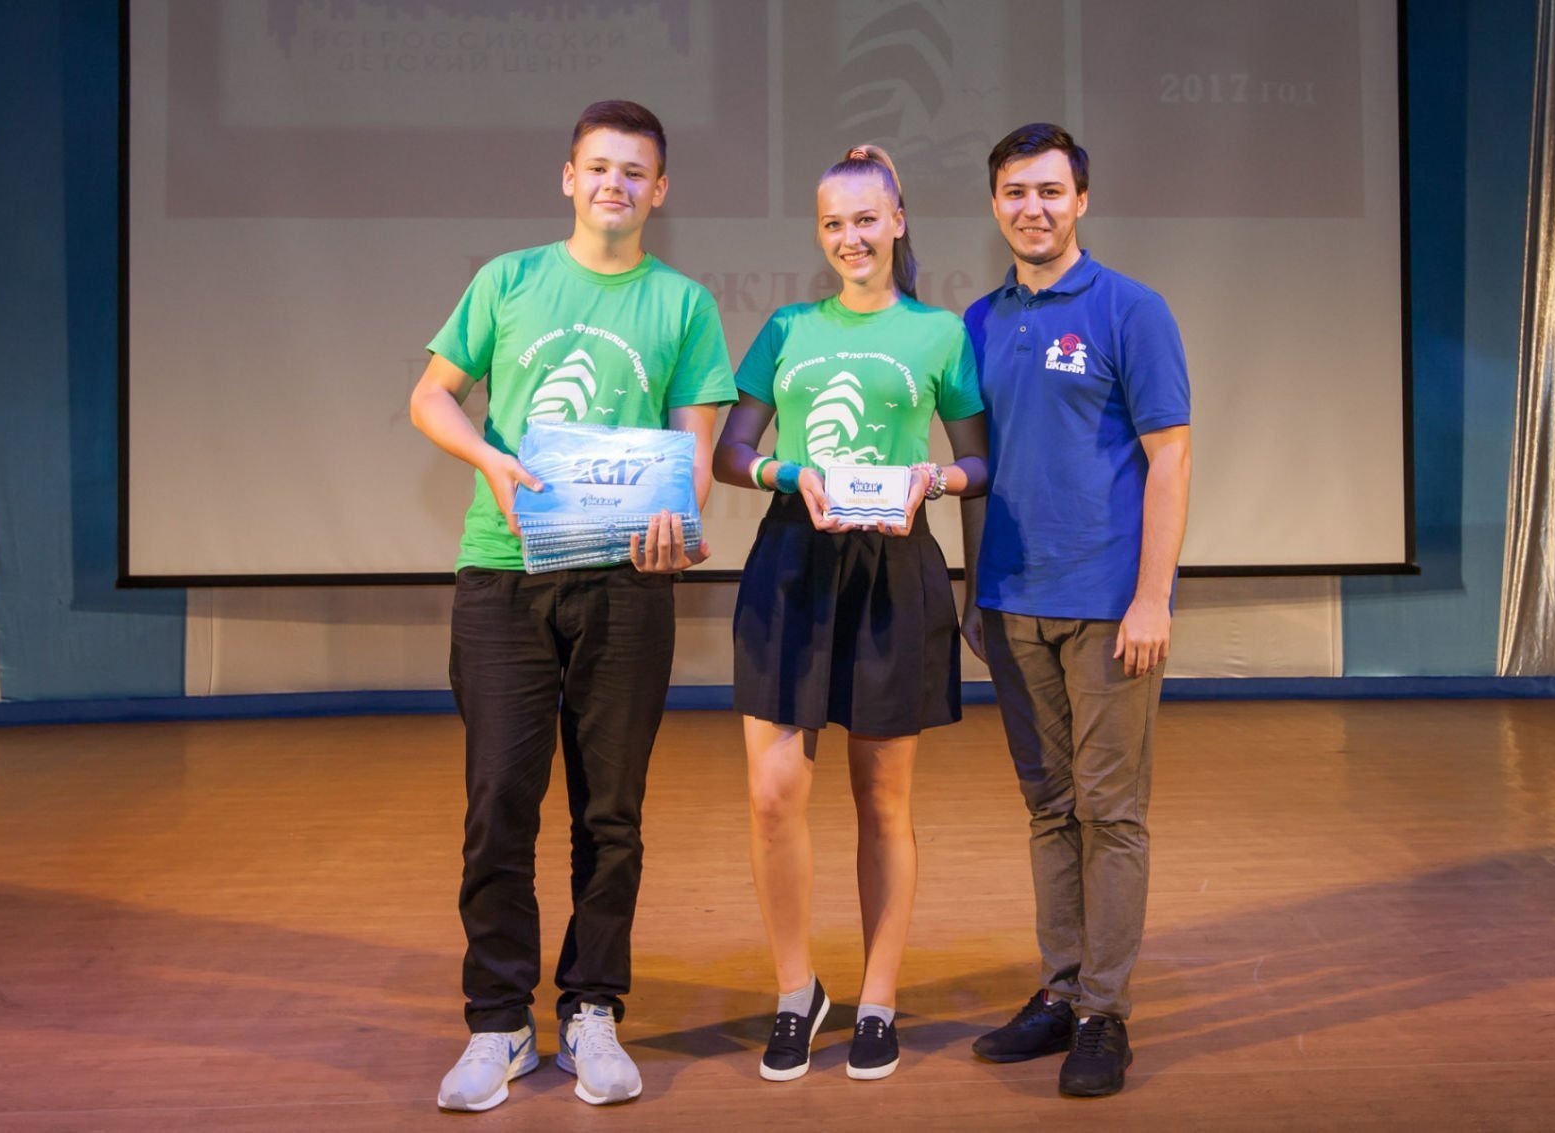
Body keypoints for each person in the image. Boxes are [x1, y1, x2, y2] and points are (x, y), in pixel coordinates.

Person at [409, 99, 736, 1111]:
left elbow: (695, 449)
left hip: (626, 582)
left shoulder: (683, 304)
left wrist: (679, 522)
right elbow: (430, 396)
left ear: (659, 190)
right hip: (501, 574)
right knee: (498, 804)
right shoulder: (507, 280)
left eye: (634, 171)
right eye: (598, 166)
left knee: (610, 813)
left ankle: (593, 1007)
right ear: (568, 177)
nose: (614, 184)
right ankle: (499, 1022)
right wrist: (489, 458)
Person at [713, 144, 989, 1083]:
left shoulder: (940, 333)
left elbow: (979, 461)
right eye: (833, 223)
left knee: (883, 799)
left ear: (898, 221)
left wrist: (935, 479)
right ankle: (798, 992)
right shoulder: (788, 327)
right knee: (772, 794)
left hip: (894, 569)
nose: (850, 238)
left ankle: (877, 999)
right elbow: (731, 452)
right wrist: (786, 471)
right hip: (793, 563)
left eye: (866, 219)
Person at [960, 123, 1192, 1099]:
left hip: (1107, 609)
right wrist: (974, 588)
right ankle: (1059, 990)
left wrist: (1151, 597)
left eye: (1050, 191)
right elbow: (976, 464)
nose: (1033, 208)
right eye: (1015, 192)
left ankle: (1104, 1011)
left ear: (1081, 200)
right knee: (1049, 809)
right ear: (995, 204)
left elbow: (1170, 458)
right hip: (1011, 605)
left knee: (1110, 812)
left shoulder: (1130, 309)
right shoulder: (977, 320)